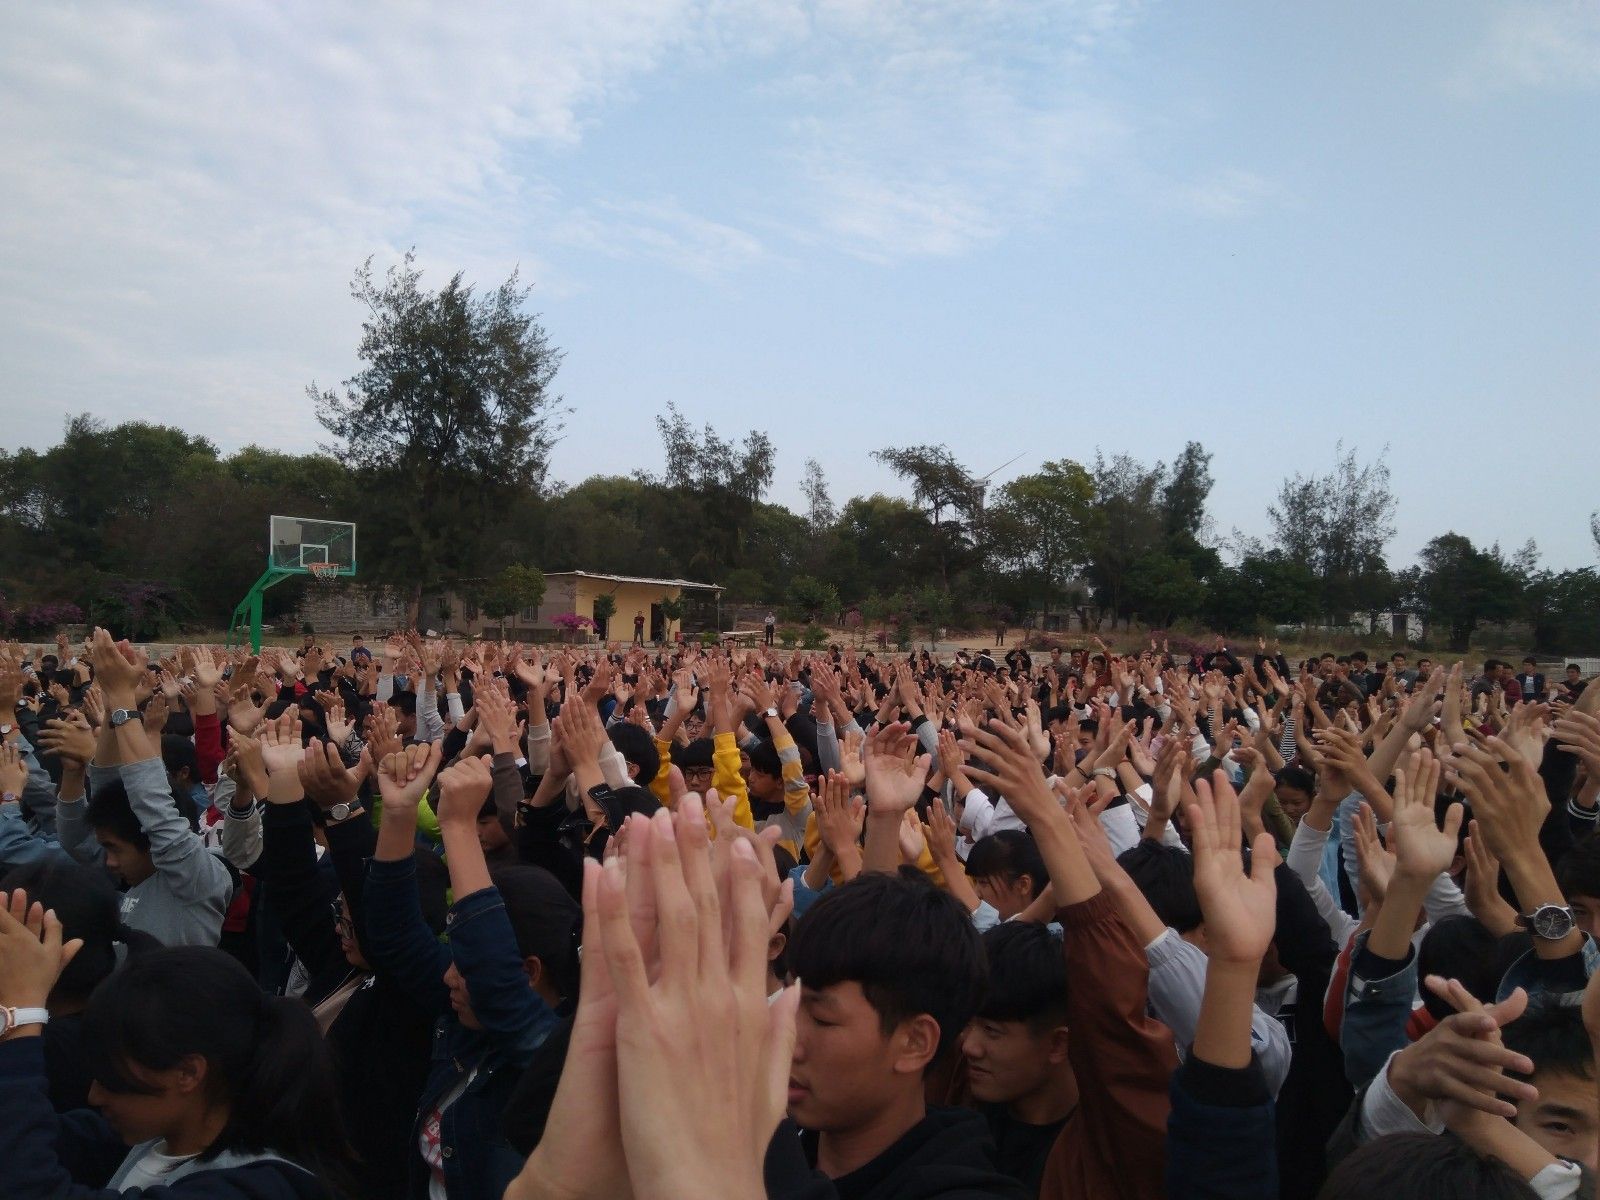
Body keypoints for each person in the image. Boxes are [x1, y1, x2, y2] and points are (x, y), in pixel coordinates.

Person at [0, 901, 356, 1198]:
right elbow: (20, 1139)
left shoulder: (257, 1187)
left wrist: (21, 1017)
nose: (93, 1095)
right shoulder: (159, 1134)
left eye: (113, 1079)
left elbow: (30, 1187)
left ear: (188, 1073)